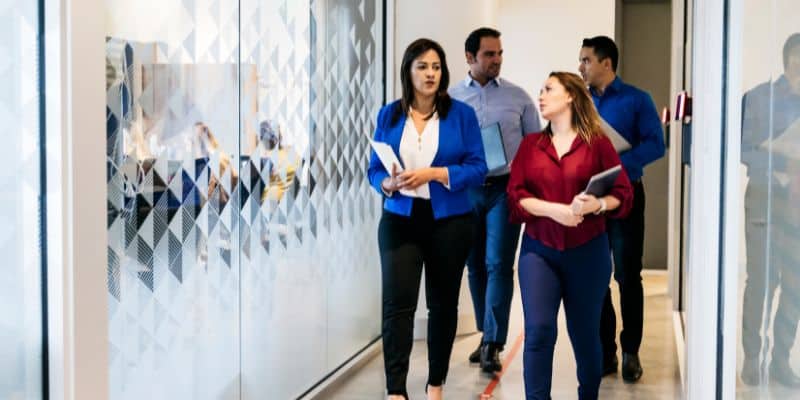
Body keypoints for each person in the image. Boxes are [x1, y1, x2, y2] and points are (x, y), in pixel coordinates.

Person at [367, 38, 487, 400]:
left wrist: (434, 174)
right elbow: (373, 170)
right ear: (409, 71)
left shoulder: (461, 115)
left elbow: (478, 169)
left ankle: (435, 384)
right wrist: (386, 183)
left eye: (436, 66)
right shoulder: (389, 114)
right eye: (422, 66)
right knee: (396, 306)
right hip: (400, 220)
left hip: (449, 221)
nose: (430, 73)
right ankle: (396, 391)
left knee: (443, 305)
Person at [508, 71, 632, 399]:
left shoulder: (598, 144)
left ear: (571, 97)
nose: (541, 95)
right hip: (539, 251)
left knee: (585, 334)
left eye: (549, 89)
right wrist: (555, 210)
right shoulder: (530, 145)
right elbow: (515, 197)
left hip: (588, 251)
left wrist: (597, 204)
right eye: (541, 89)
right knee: (538, 331)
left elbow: (623, 193)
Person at [448, 27, 542, 374]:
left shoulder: (519, 98)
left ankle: (493, 342)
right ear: (470, 57)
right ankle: (486, 333)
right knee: (474, 265)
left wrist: (526, 178)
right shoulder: (452, 98)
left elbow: (536, 145)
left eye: (500, 53)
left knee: (499, 263)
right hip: (467, 188)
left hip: (505, 188)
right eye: (489, 54)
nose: (497, 60)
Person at [578, 35, 665, 382]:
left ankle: (631, 351)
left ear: (606, 63)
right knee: (596, 276)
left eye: (586, 60)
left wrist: (618, 165)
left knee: (628, 275)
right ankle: (606, 353)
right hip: (590, 200)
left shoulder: (636, 100)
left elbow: (656, 145)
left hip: (627, 195)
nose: (580, 67)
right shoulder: (578, 102)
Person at [740, 32, 800, 388]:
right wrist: (774, 165)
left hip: (799, 205)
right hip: (765, 197)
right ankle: (752, 358)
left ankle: (781, 360)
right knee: (761, 283)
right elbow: (741, 148)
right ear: (789, 60)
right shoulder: (759, 99)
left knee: (795, 286)